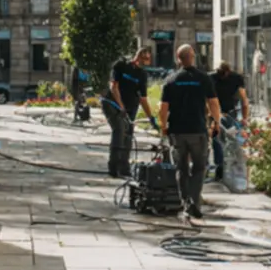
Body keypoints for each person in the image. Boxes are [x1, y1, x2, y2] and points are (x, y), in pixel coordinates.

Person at [159, 45, 221, 219]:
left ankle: (186, 203)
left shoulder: (171, 80)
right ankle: (195, 200)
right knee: (200, 168)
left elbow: (163, 109)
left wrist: (163, 127)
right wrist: (216, 122)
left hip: (177, 131)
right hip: (198, 130)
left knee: (182, 169)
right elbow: (213, 103)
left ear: (178, 59)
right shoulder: (203, 78)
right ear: (192, 57)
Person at [103, 46, 156, 178]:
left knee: (128, 135)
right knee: (120, 129)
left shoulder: (142, 75)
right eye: (143, 58)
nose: (144, 62)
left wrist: (151, 117)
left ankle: (124, 168)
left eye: (147, 59)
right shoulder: (120, 65)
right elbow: (114, 87)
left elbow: (143, 99)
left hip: (130, 107)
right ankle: (113, 167)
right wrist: (121, 107)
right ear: (138, 56)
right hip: (112, 103)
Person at [210, 62, 249, 182]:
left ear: (228, 71)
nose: (222, 76)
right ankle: (220, 168)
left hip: (229, 113)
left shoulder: (236, 78)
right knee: (217, 140)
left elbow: (244, 100)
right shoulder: (211, 78)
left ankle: (226, 167)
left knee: (229, 140)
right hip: (215, 113)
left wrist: (244, 118)